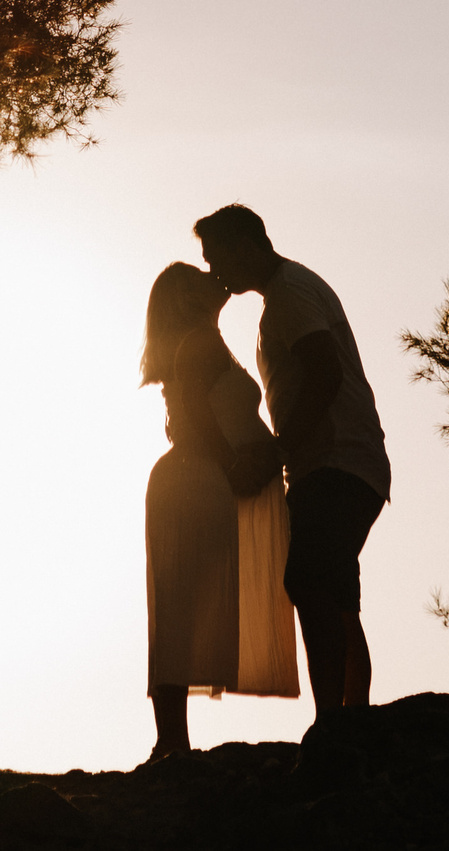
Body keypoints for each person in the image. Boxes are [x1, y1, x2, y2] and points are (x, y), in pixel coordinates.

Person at [194, 204, 391, 725]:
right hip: (342, 460)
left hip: (334, 460)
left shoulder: (289, 295)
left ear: (245, 245)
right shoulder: (286, 295)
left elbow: (325, 372)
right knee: (336, 591)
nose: (215, 271)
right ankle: (352, 718)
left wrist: (284, 445)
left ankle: (334, 721)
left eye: (217, 258)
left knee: (309, 580)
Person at [140, 261, 297, 762]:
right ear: (188, 297)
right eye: (202, 276)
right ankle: (171, 742)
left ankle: (172, 741)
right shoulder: (200, 344)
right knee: (181, 605)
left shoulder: (201, 344)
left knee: (181, 604)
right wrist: (233, 463)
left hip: (192, 478)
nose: (217, 278)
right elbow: (195, 413)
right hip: (195, 480)